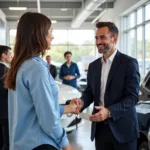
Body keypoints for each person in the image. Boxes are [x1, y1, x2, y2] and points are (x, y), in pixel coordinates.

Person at [4, 12, 77, 150]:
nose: (52, 36)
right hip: (40, 143)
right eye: (50, 31)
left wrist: (67, 108)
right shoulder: (36, 68)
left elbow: (34, 109)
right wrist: (66, 144)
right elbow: (48, 119)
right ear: (39, 34)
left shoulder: (20, 65)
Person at [74, 22, 140, 150]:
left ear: (114, 39)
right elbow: (90, 92)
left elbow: (132, 97)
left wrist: (109, 112)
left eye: (102, 37)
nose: (98, 41)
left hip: (123, 130)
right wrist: (81, 102)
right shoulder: (93, 66)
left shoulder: (129, 63)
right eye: (96, 38)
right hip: (100, 129)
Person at [0, 45, 12, 150]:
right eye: (10, 54)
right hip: (5, 112)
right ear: (3, 55)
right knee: (7, 142)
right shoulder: (7, 71)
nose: (12, 57)